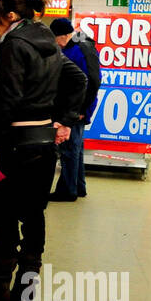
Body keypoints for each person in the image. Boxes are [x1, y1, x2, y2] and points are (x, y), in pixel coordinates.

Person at [0, 0, 88, 301]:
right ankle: (26, 293)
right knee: (34, 215)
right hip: (44, 144)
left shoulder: (12, 43)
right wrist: (64, 120)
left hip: (14, 143)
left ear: (9, 17)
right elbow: (78, 79)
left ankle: (0, 295)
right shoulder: (48, 41)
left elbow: (7, 98)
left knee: (5, 217)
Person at [48, 17, 101, 202]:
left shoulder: (81, 49)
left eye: (55, 38)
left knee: (69, 150)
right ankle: (78, 186)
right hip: (75, 107)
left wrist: (81, 109)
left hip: (76, 108)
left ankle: (67, 190)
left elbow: (93, 81)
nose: (55, 43)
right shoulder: (77, 46)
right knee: (76, 148)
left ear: (63, 35)